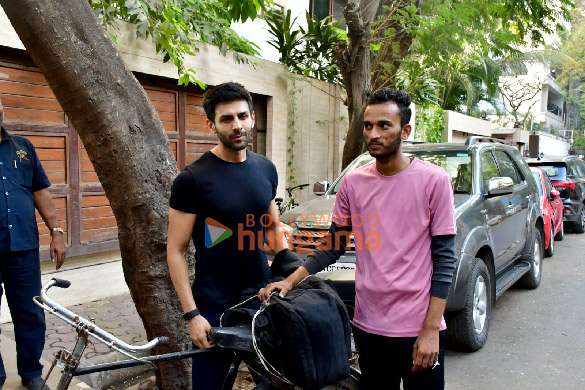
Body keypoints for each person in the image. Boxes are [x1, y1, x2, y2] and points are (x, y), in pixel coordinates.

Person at [259, 89, 457, 390]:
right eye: (367, 125)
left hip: (418, 327)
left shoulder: (434, 180)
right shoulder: (353, 182)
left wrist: (431, 329)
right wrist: (290, 281)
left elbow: (444, 260)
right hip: (370, 326)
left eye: (384, 125)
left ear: (405, 130)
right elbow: (333, 245)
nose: (373, 133)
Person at [167, 82, 295, 389]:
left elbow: (272, 227)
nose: (236, 125)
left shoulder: (266, 169)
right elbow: (175, 249)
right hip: (214, 306)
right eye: (226, 119)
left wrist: (288, 269)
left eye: (242, 116)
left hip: (261, 297)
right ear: (211, 124)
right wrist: (192, 314)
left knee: (277, 382)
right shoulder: (192, 180)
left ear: (252, 117)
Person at [0, 96, 66, 390]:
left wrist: (56, 231)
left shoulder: (23, 147)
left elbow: (40, 190)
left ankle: (31, 373)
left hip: (23, 248)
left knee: (31, 314)